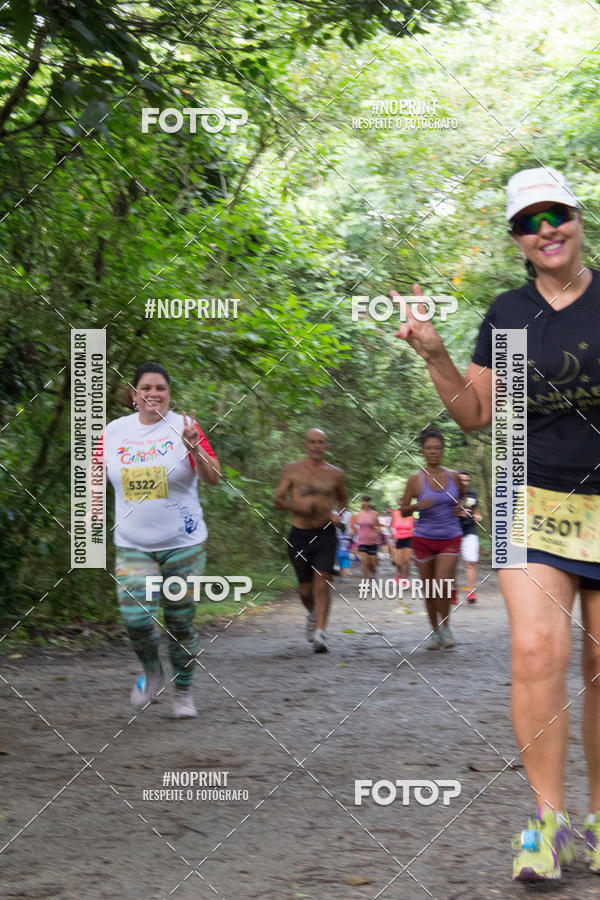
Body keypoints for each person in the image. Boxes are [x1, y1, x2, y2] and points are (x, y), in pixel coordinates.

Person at [394, 166, 600, 881]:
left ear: (577, 219)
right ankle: (549, 826)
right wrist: (435, 354)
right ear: (517, 239)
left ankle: (598, 824)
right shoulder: (509, 314)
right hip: (530, 495)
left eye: (555, 215)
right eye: (527, 222)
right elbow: (476, 414)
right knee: (537, 653)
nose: (545, 230)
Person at [103, 362, 220, 718]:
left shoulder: (185, 427)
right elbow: (94, 478)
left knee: (180, 622)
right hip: (133, 544)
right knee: (136, 619)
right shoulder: (113, 432)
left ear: (169, 394)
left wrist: (194, 448)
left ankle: (183, 693)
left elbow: (214, 477)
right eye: (146, 388)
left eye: (161, 388)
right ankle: (152, 671)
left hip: (184, 543)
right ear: (133, 394)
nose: (153, 394)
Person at [274, 428, 347, 653]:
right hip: (299, 535)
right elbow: (277, 500)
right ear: (306, 445)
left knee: (322, 583)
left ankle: (320, 635)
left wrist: (338, 515)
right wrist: (297, 506)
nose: (317, 446)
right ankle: (313, 615)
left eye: (321, 442)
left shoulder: (335, 474)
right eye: (313, 442)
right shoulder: (292, 471)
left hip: (325, 533)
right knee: (305, 591)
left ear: (326, 446)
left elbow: (343, 501)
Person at [400, 428, 463, 649]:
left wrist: (461, 507)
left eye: (437, 448)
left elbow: (463, 497)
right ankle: (435, 632)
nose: (433, 452)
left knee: (442, 583)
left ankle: (446, 628)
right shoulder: (415, 479)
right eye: (429, 448)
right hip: (424, 539)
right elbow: (403, 510)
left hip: (450, 536)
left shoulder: (454, 476)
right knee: (429, 590)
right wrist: (417, 506)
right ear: (422, 451)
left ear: (443, 451)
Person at [456, 470, 482, 603]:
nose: (465, 483)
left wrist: (477, 515)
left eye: (467, 480)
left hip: (469, 529)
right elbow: (441, 512)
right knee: (449, 563)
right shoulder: (449, 493)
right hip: (452, 530)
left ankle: (470, 593)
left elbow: (475, 509)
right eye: (462, 480)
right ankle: (451, 592)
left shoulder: (472, 493)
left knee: (471, 562)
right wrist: (457, 513)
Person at [353, 496, 380, 579]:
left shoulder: (374, 513)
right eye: (364, 501)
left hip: (372, 541)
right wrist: (354, 536)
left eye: (367, 501)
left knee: (372, 562)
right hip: (362, 541)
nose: (365, 503)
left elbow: (378, 526)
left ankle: (372, 573)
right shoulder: (359, 514)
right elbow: (355, 527)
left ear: (369, 502)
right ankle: (366, 580)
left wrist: (377, 531)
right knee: (364, 562)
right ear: (362, 502)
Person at [391, 505, 415, 583]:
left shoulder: (410, 515)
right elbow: (391, 527)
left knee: (407, 561)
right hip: (398, 539)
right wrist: (394, 535)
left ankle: (405, 579)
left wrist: (413, 532)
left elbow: (413, 527)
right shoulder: (395, 513)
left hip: (408, 538)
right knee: (398, 562)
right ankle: (399, 573)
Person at [336, 508, 353, 580]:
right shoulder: (348, 536)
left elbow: (337, 543)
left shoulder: (339, 536)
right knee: (346, 566)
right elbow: (351, 543)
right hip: (346, 552)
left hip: (339, 552)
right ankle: (347, 578)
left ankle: (341, 577)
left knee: (340, 566)